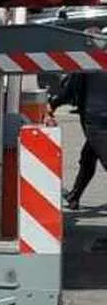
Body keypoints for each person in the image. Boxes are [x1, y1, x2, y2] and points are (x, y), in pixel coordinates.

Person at [49, 28, 107, 210]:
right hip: (100, 119)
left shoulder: (87, 62)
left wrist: (53, 104)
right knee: (88, 157)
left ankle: (74, 196)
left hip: (97, 120)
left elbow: (69, 90)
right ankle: (74, 196)